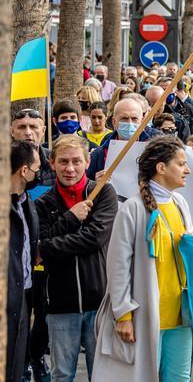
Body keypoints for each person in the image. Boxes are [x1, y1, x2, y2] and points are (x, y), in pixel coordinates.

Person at [94, 135, 193, 382]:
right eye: (181, 164)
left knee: (179, 378)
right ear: (161, 168)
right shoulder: (133, 208)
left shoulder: (180, 203)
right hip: (145, 316)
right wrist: (123, 315)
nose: (187, 170)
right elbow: (118, 266)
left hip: (180, 317)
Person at [35, 135, 119, 382]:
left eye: (75, 161)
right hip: (60, 304)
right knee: (62, 375)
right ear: (52, 163)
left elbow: (95, 238)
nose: (69, 168)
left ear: (87, 161)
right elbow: (39, 245)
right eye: (63, 161)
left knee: (102, 375)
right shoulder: (42, 204)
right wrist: (71, 218)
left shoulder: (102, 192)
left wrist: (50, 245)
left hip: (99, 303)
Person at [8, 141, 40, 382]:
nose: (39, 172)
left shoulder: (26, 202)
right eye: (37, 167)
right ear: (24, 171)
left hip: (22, 299)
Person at [87, 98, 159, 179]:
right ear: (114, 122)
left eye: (134, 119)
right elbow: (85, 187)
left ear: (142, 122)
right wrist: (94, 184)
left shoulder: (155, 151)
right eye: (124, 119)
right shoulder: (98, 156)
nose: (130, 123)